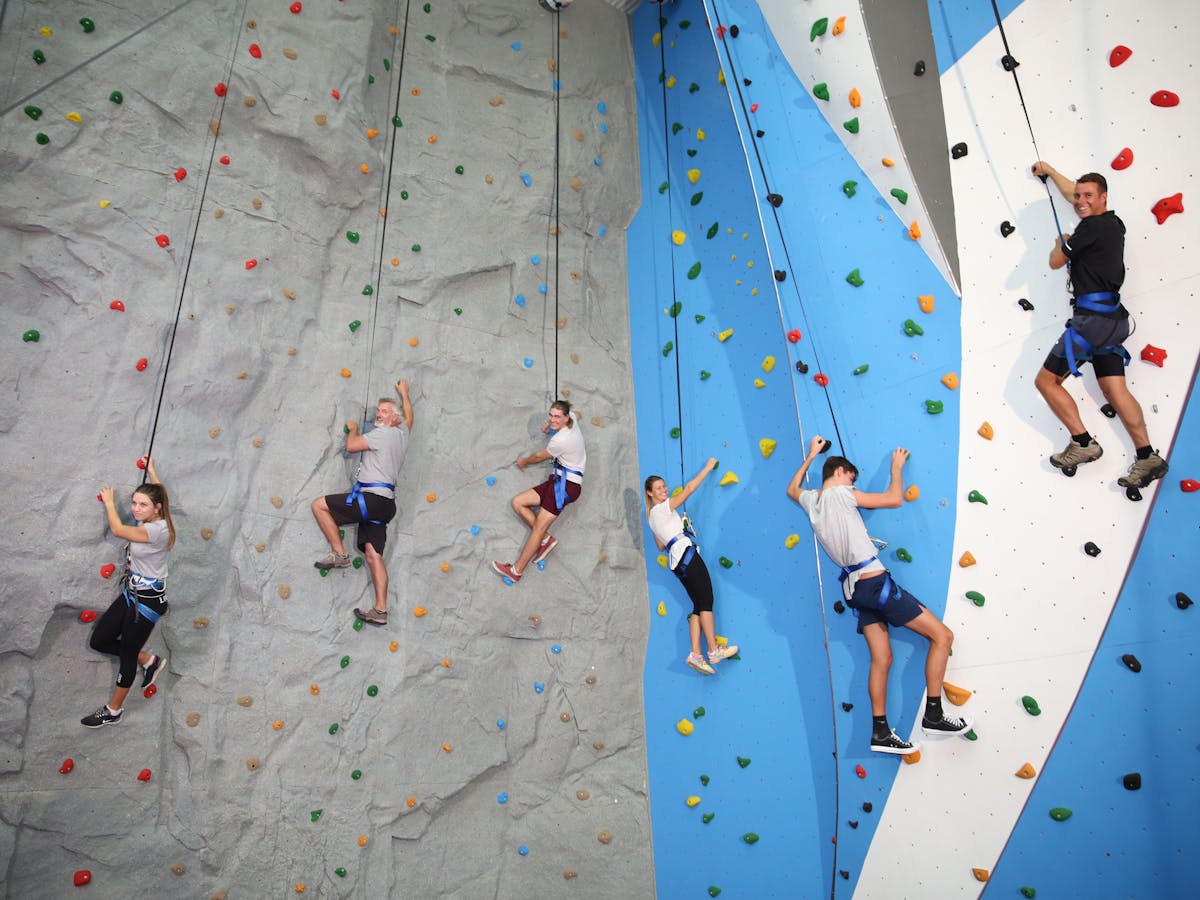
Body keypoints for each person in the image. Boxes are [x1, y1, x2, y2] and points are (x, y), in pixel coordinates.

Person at [787, 436, 970, 755]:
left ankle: (881, 732)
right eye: (851, 477)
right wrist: (896, 468)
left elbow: (792, 489)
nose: (852, 482)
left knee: (882, 659)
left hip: (855, 591)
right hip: (874, 583)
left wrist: (812, 454)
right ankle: (934, 714)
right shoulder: (842, 493)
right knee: (942, 636)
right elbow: (894, 498)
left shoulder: (811, 501)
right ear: (841, 472)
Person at [1031, 161, 1168, 488]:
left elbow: (1055, 261)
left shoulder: (1089, 228)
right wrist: (1050, 170)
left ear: (1103, 197)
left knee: (1046, 382)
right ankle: (1147, 455)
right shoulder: (1113, 224)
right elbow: (1073, 194)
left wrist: (1059, 243)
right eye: (1079, 195)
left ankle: (1082, 443)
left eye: (1088, 196)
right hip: (1113, 321)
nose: (1080, 201)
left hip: (1091, 322)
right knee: (1114, 389)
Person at [311, 379, 413, 626]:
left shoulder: (383, 434)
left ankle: (339, 553)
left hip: (370, 498)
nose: (379, 414)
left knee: (319, 505)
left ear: (394, 420)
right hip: (385, 505)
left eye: (385, 412)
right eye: (379, 411)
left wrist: (353, 428)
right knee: (373, 555)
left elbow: (352, 445)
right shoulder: (402, 434)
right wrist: (404, 394)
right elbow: (410, 417)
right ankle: (380, 610)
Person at [83, 456, 174, 728]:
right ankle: (149, 660)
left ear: (156, 509)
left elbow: (117, 529)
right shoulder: (160, 513)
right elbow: (162, 496)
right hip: (132, 594)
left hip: (147, 603)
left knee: (126, 657)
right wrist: (153, 471)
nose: (135, 508)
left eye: (142, 504)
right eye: (134, 503)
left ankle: (113, 710)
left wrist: (110, 502)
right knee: (100, 640)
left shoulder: (156, 531)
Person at [643, 459, 739, 675]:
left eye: (664, 486)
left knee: (698, 606)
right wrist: (707, 467)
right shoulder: (663, 508)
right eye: (659, 488)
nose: (664, 489)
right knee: (707, 601)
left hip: (677, 562)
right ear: (650, 493)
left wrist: (677, 527)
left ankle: (696, 653)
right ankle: (713, 651)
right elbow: (688, 490)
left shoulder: (652, 518)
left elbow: (660, 545)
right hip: (686, 555)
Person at [492, 400, 584, 583]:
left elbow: (538, 456)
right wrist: (551, 426)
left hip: (566, 487)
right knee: (518, 502)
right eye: (551, 415)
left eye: (557, 416)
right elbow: (578, 414)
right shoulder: (572, 418)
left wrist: (524, 461)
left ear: (566, 417)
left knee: (538, 528)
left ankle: (516, 571)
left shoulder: (560, 440)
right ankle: (546, 539)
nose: (552, 419)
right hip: (557, 480)